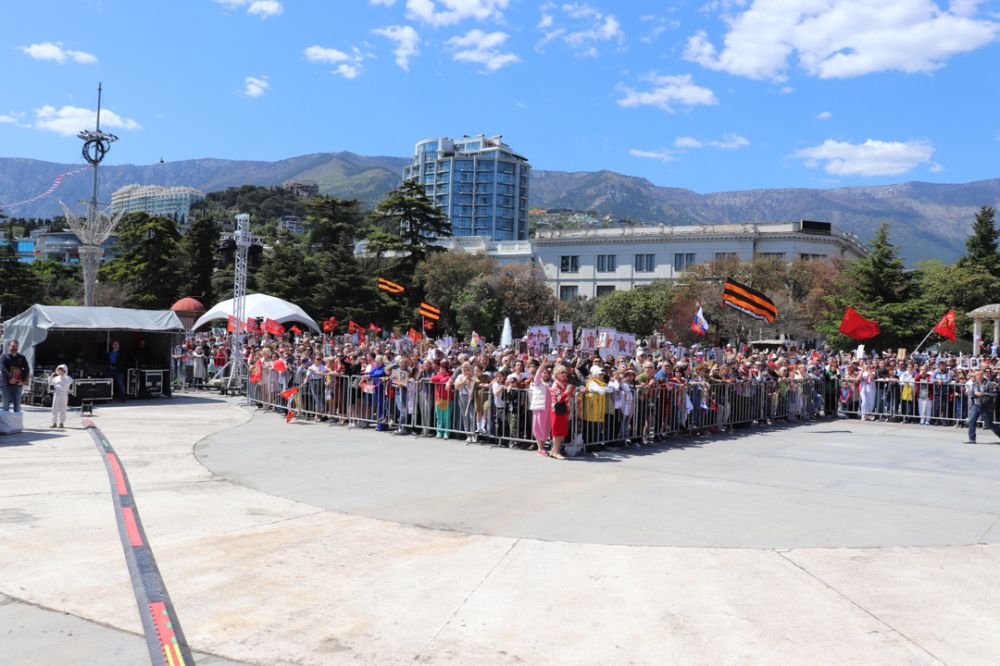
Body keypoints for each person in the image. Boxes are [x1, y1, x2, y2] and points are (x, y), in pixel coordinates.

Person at [964, 368, 1000, 444]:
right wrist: (973, 395)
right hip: (976, 405)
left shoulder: (989, 384)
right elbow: (971, 394)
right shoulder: (974, 384)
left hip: (986, 406)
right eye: (977, 375)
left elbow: (994, 394)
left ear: (983, 375)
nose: (979, 376)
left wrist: (983, 394)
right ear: (975, 376)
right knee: (971, 421)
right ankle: (972, 439)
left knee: (989, 424)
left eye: (980, 374)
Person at [1, 340, 31, 413]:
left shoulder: (22, 357)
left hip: (17, 384)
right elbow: (2, 367)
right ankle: (5, 424)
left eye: (16, 346)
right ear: (9, 347)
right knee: (6, 405)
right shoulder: (4, 357)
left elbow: (27, 369)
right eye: (13, 346)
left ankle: (16, 424)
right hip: (6, 384)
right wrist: (10, 377)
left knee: (17, 405)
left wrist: (23, 380)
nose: (14, 348)